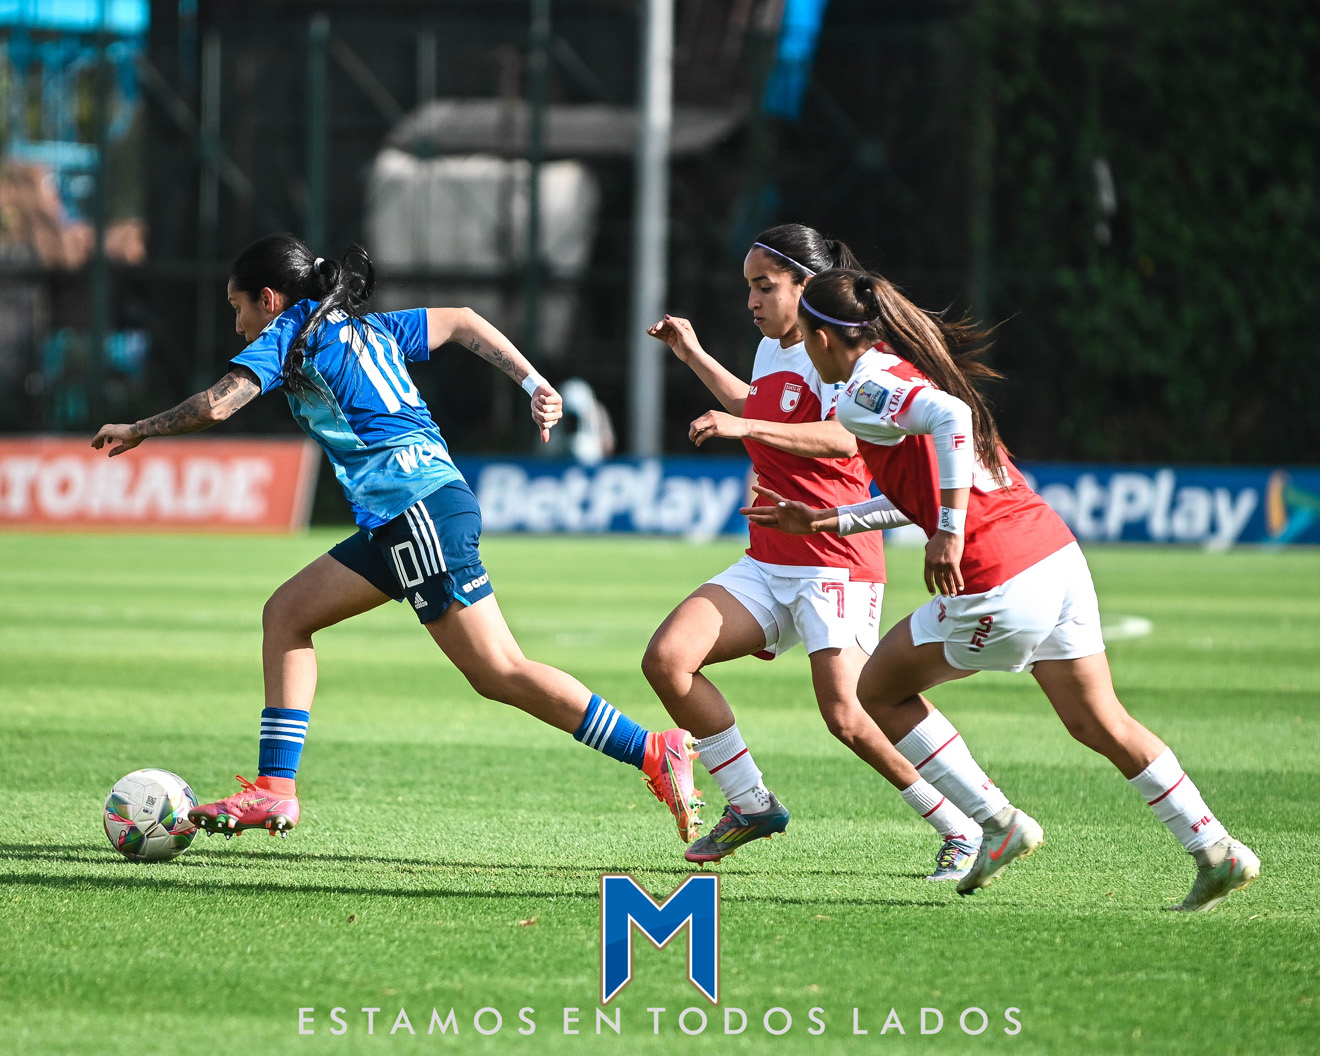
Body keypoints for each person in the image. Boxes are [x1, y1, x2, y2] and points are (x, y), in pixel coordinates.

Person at [90, 234, 699, 843]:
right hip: (408, 513)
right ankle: (275, 788)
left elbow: (217, 406)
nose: (238, 324)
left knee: (498, 669)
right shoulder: (367, 327)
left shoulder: (289, 335)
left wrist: (141, 428)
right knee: (287, 614)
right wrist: (534, 382)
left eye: (238, 307)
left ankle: (652, 750)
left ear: (269, 299)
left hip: (416, 510)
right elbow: (462, 320)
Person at [746, 267, 1260, 911]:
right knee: (1098, 719)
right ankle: (1216, 849)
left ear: (822, 338)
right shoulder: (903, 370)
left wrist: (949, 531)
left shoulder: (861, 391)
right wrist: (828, 520)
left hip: (997, 571)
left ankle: (996, 822)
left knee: (875, 691)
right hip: (1055, 555)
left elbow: (953, 418)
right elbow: (920, 489)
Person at [643, 224, 983, 877]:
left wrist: (743, 425)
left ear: (806, 287)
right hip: (770, 558)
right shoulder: (771, 348)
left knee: (849, 716)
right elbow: (757, 407)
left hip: (833, 558)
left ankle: (961, 825)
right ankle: (750, 803)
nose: (752, 300)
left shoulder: (838, 355)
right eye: (749, 287)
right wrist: (692, 355)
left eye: (764, 286)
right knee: (668, 660)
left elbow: (844, 438)